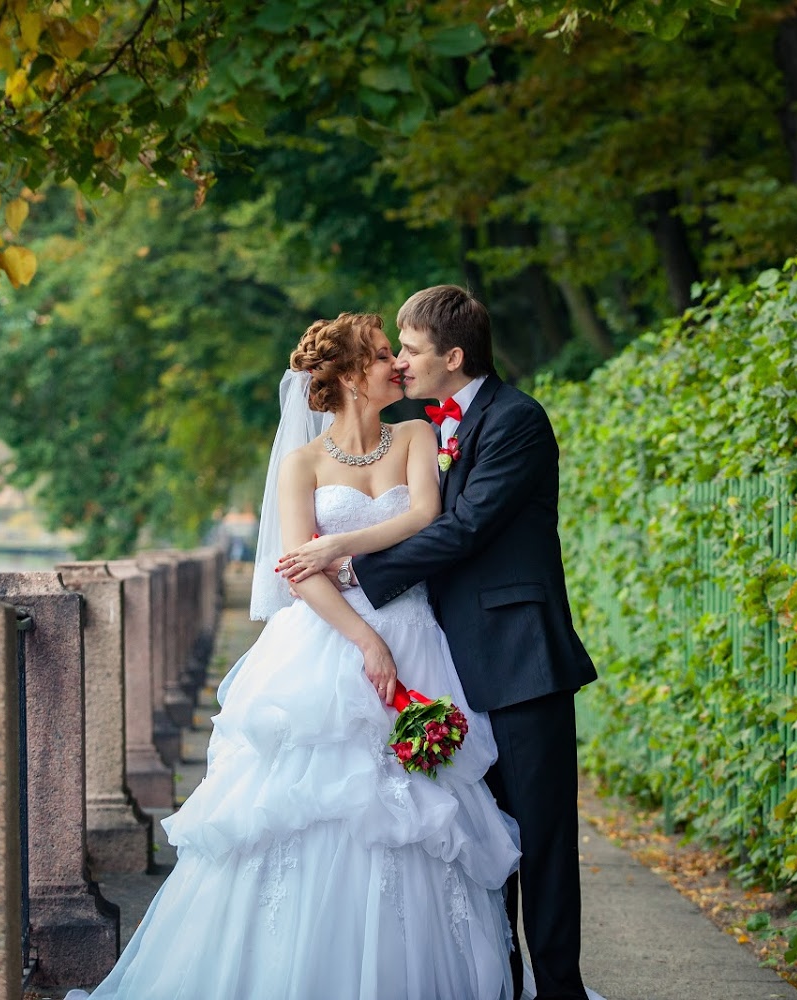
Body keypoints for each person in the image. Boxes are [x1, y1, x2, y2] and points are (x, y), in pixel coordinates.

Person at [71, 312, 521, 1000]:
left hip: (415, 635)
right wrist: (366, 639)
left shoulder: (415, 435)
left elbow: (423, 518)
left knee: (418, 816)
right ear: (344, 377)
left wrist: (341, 545)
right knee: (309, 811)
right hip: (326, 643)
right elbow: (297, 572)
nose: (394, 366)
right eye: (379, 356)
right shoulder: (301, 464)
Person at [278, 286, 597, 1000]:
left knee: (541, 842)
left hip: (520, 660)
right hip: (452, 662)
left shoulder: (516, 420)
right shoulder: (431, 424)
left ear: (453, 356)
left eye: (412, 349)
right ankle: (502, 986)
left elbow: (466, 526)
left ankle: (560, 993)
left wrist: (354, 561)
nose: (402, 362)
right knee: (481, 846)